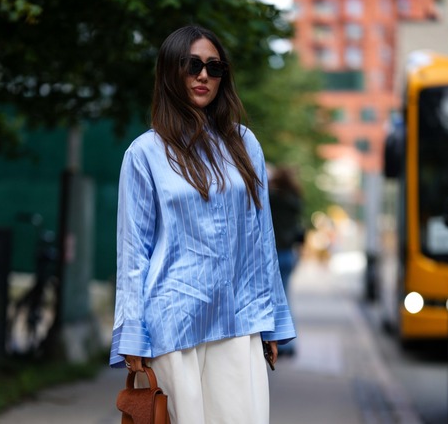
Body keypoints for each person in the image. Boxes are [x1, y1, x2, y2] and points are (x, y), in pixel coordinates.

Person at [110, 25, 296, 424]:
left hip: (240, 320)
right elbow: (133, 253)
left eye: (215, 67)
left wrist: (274, 321)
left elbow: (263, 237)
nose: (203, 76)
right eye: (192, 65)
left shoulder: (244, 144)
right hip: (173, 323)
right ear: (170, 72)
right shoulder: (144, 153)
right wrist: (131, 334)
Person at [268, 165, 304, 357]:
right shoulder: (294, 200)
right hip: (289, 254)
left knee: (274, 298)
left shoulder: (272, 200)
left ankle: (278, 342)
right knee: (286, 296)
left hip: (274, 253)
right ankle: (287, 344)